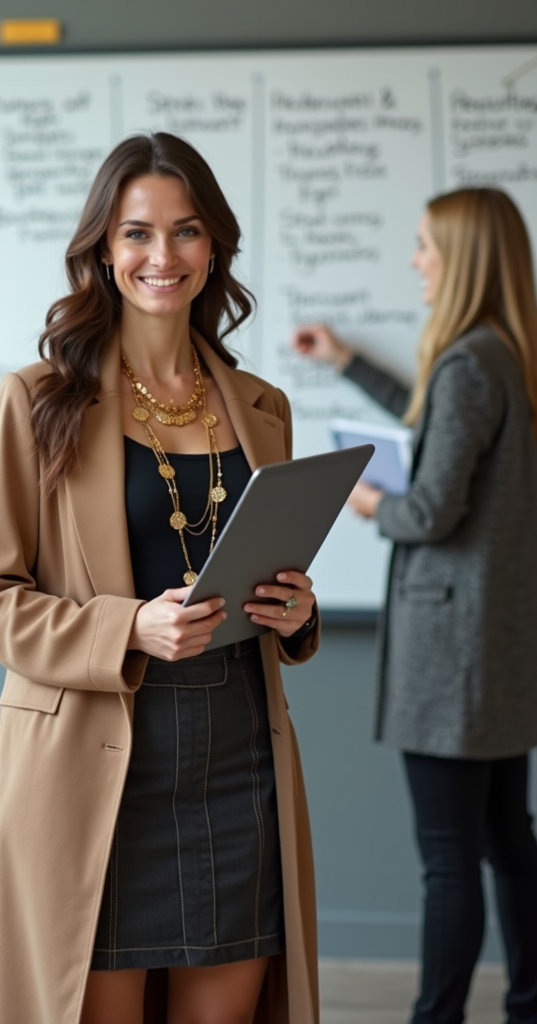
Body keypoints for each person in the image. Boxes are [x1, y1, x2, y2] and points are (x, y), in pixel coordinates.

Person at [0, 132, 321, 1024]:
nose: (164, 256)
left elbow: (273, 575)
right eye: (137, 233)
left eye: (187, 232)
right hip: (94, 772)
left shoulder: (263, 406)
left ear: (214, 247)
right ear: (102, 249)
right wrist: (126, 627)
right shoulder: (37, 400)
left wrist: (295, 610)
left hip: (237, 760)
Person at [292, 187, 537, 1024]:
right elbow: (439, 432)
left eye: (426, 245)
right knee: (509, 844)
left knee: (448, 858)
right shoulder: (506, 357)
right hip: (496, 645)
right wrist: (347, 362)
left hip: (452, 651)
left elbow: (430, 508)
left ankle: (436, 1018)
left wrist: (363, 503)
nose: (415, 260)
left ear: (462, 258)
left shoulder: (469, 361)